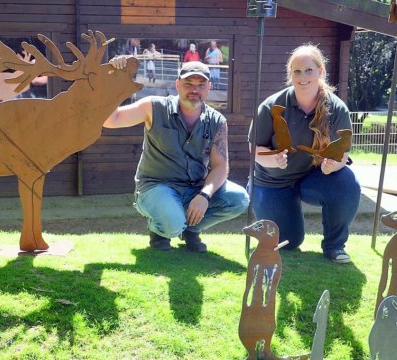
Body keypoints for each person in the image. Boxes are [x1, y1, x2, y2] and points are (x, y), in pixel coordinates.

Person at [105, 59, 249, 253]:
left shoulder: (217, 121)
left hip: (195, 188)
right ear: (178, 84)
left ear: (209, 87)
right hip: (156, 187)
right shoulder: (153, 107)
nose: (194, 90)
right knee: (172, 225)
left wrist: (204, 196)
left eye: (201, 85)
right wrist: (112, 77)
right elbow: (110, 119)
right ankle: (159, 230)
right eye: (188, 84)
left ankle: (190, 229)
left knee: (239, 198)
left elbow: (220, 167)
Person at [247, 44, 360, 264]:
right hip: (273, 181)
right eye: (296, 71)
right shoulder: (272, 106)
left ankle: (335, 246)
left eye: (308, 70)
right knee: (288, 243)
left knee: (346, 181)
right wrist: (272, 159)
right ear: (290, 75)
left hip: (312, 176)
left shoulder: (337, 109)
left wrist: (333, 165)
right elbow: (255, 150)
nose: (303, 76)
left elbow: (342, 155)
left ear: (320, 72)